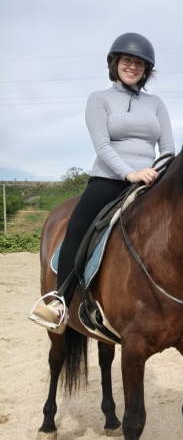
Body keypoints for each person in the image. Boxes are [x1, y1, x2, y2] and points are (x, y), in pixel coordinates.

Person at [29, 32, 175, 332]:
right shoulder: (99, 99)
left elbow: (169, 148)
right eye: (127, 60)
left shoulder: (156, 103)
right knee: (78, 225)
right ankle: (58, 300)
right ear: (115, 63)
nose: (133, 67)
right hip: (108, 179)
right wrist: (130, 173)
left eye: (140, 64)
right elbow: (103, 146)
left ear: (147, 70)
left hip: (150, 181)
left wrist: (158, 171)